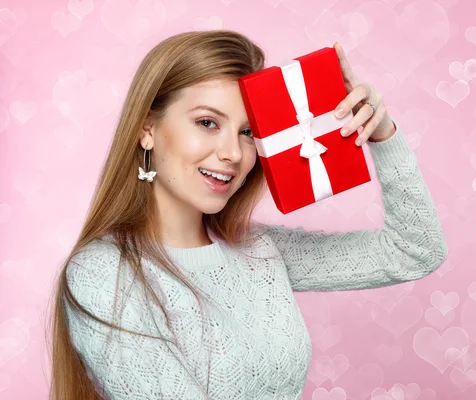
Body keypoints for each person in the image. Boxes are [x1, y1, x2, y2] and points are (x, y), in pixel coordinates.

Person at [47, 30, 448, 400]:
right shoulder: (105, 274)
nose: (233, 154)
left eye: (246, 132)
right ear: (146, 128)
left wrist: (382, 134)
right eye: (207, 123)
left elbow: (415, 251)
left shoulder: (258, 250)